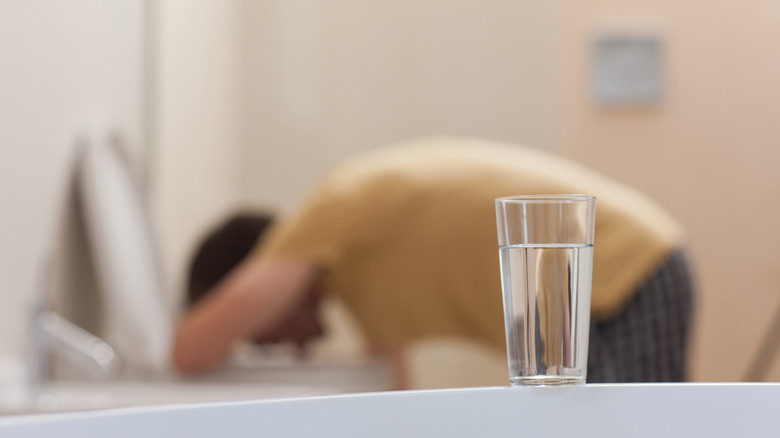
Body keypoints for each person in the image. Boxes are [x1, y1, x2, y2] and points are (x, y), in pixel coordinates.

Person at [172, 136, 694, 384]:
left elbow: (189, 350)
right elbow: (396, 393)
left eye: (263, 335)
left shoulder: (325, 212)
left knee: (627, 426)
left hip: (618, 265)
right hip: (601, 273)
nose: (287, 348)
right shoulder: (358, 277)